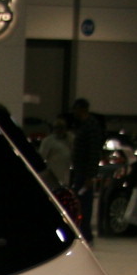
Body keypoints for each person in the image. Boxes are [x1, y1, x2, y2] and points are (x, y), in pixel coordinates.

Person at [67, 98, 107, 240]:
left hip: (84, 173)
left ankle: (85, 233)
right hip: (81, 171)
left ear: (81, 109)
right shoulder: (85, 125)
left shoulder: (91, 126)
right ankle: (82, 232)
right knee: (80, 203)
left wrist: (90, 176)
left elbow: (93, 152)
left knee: (84, 204)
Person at [38, 119, 73, 189]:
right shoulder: (48, 141)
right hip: (53, 174)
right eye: (57, 127)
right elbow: (41, 157)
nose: (59, 130)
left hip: (65, 174)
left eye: (62, 127)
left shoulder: (70, 139)